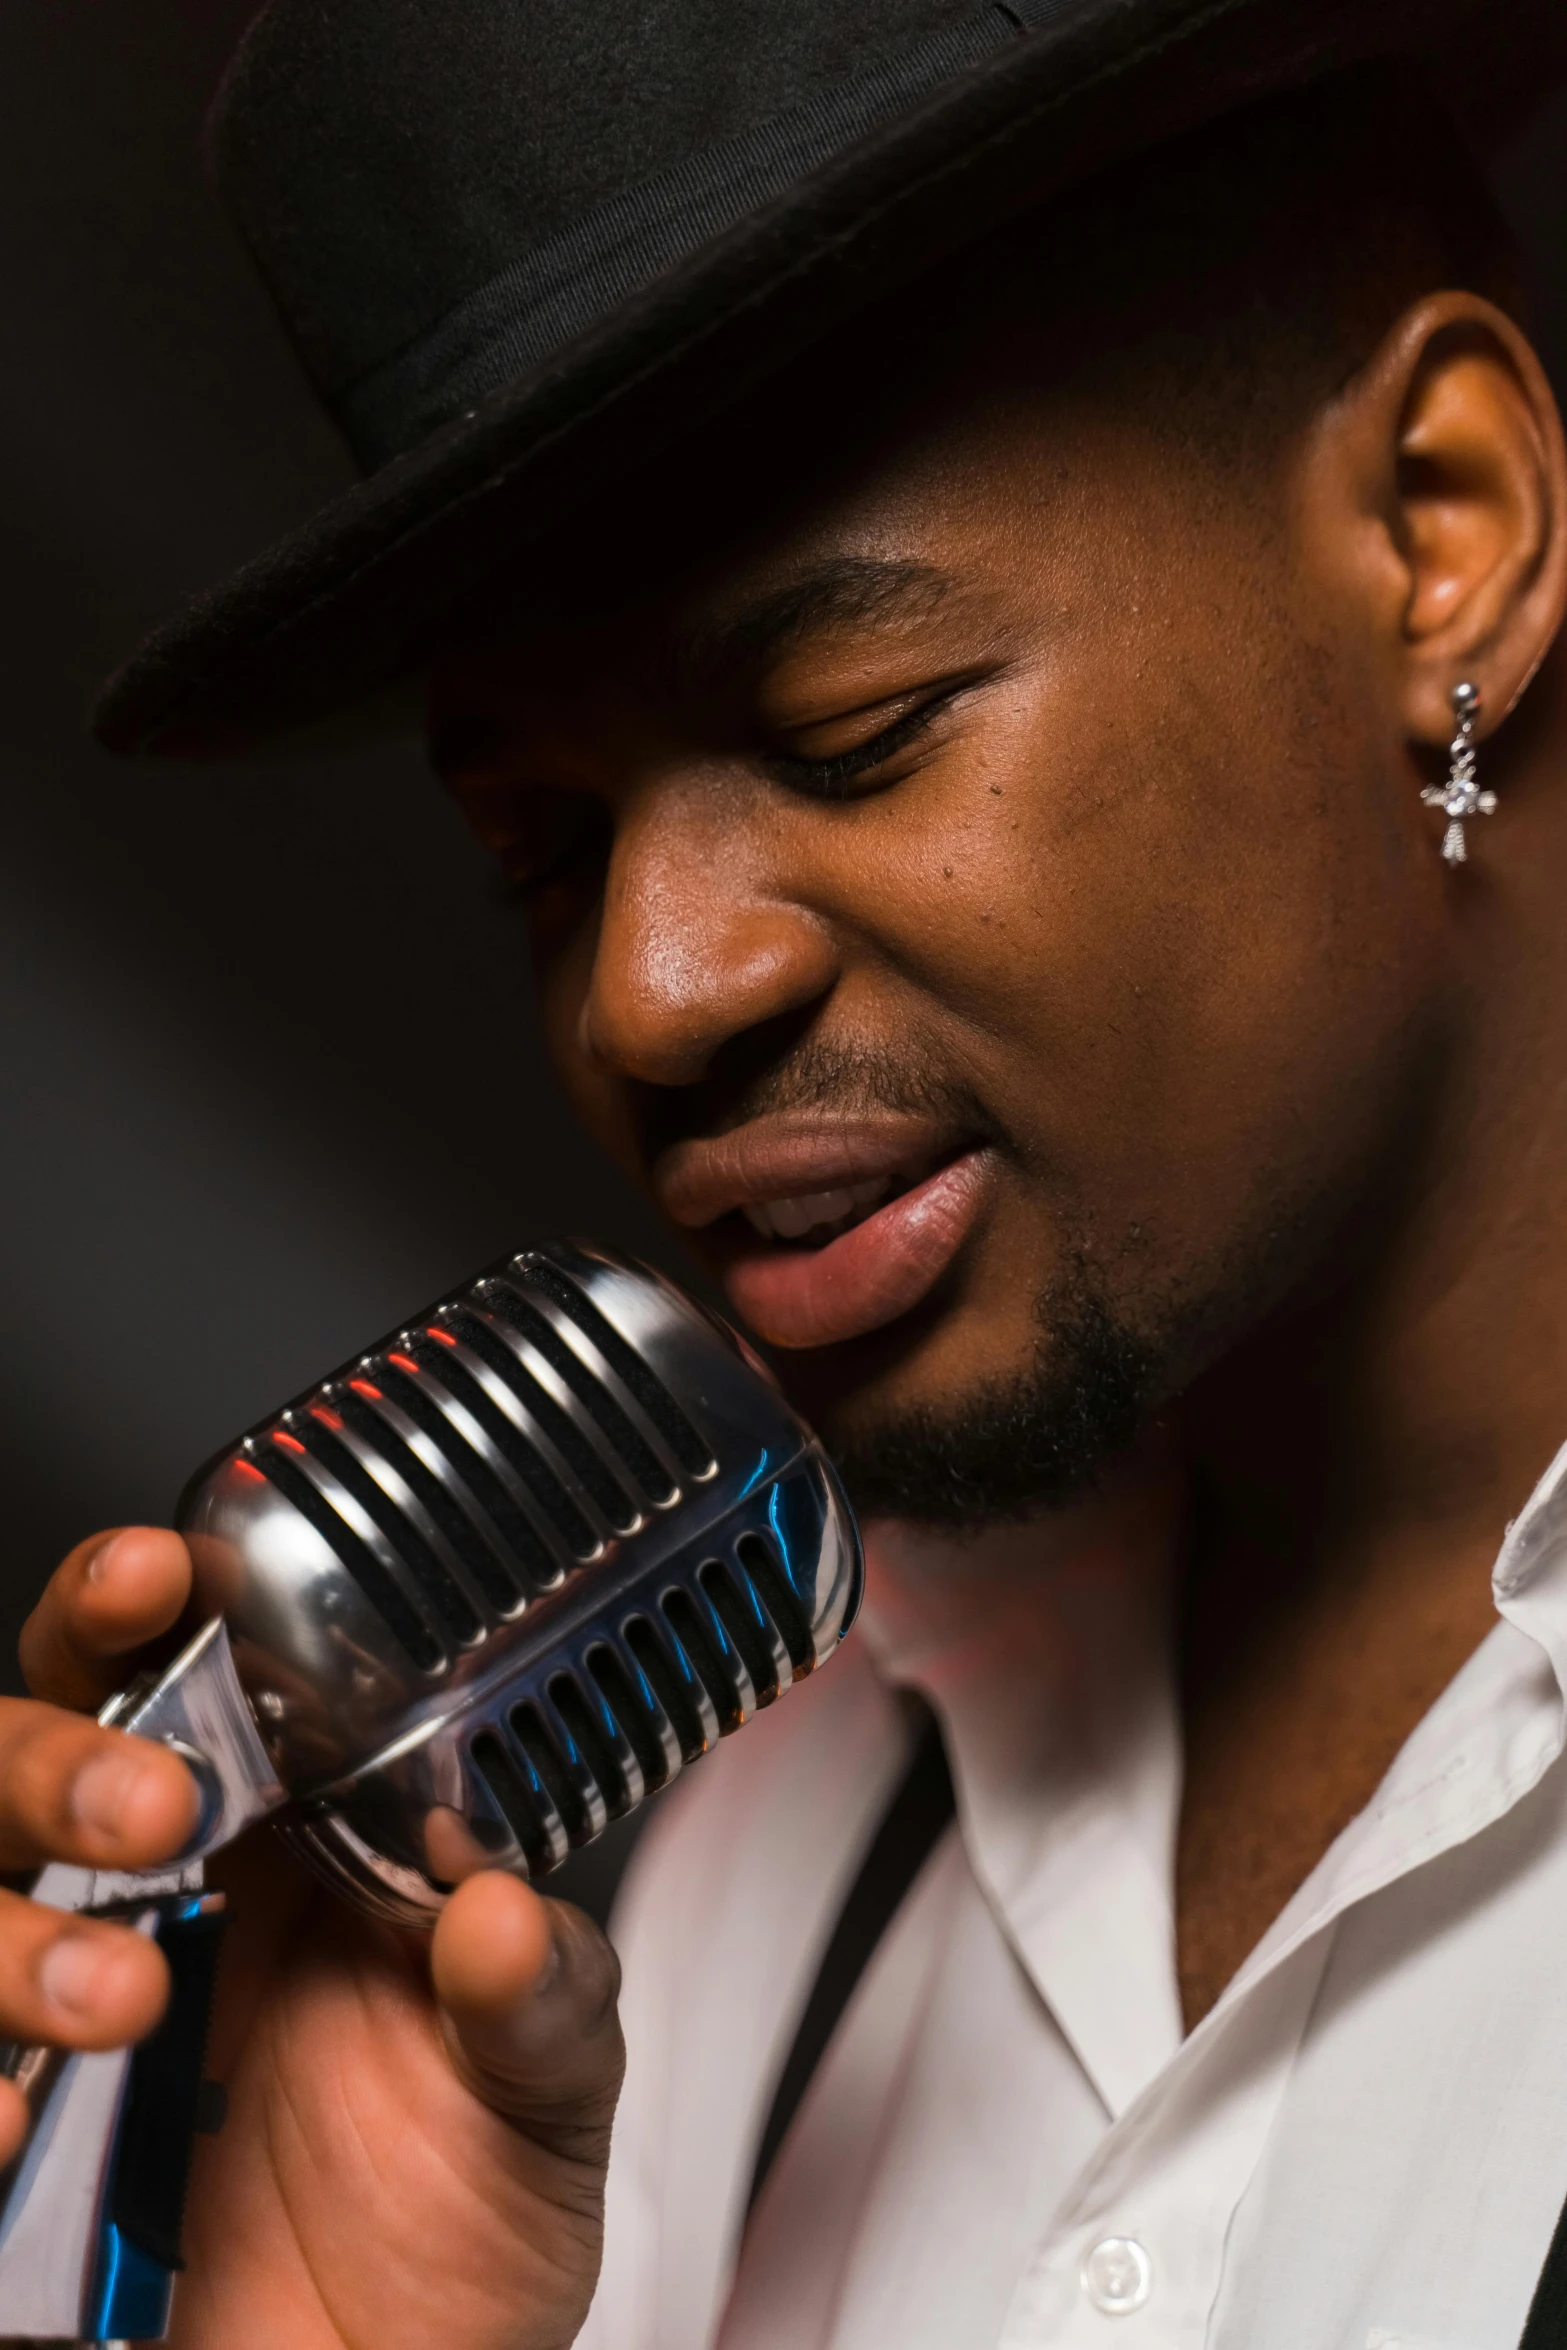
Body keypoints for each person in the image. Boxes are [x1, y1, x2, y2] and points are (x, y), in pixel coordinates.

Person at [6, 0, 1567, 2342]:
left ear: (1437, 536)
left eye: (851, 728)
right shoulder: (736, 1847)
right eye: (539, 844)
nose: (646, 990)